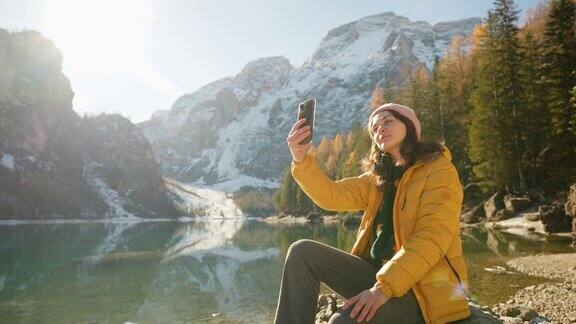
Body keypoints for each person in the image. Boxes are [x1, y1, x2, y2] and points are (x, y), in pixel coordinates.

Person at [273, 103, 471, 324]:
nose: (380, 130)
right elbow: (332, 195)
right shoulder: (377, 178)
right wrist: (301, 159)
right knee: (302, 251)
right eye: (374, 128)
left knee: (341, 322)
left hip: (425, 290)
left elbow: (431, 238)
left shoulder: (438, 170)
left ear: (409, 125)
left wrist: (381, 290)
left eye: (387, 122)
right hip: (378, 278)